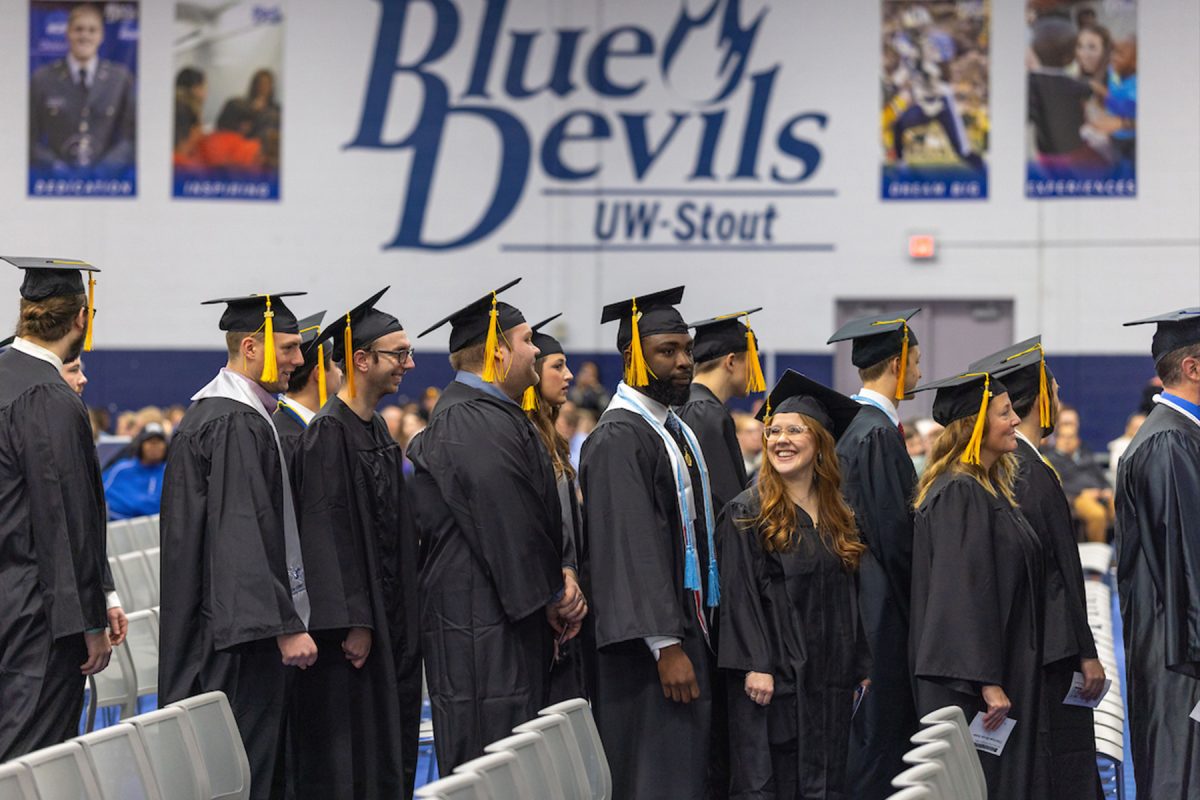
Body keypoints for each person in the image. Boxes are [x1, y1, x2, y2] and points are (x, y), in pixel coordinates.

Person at [408, 280, 580, 772]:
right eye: (526, 340)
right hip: (479, 626)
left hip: (495, 613)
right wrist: (552, 595)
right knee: (490, 762)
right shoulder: (470, 421)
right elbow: (509, 524)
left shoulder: (489, 414)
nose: (533, 351)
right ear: (497, 351)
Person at [159, 292, 318, 800]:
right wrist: (285, 627)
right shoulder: (235, 422)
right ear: (251, 347)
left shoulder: (225, 413)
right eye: (290, 348)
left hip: (216, 625)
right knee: (240, 774)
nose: (298, 360)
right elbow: (242, 535)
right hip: (235, 642)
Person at [580, 286, 722, 799]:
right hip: (648, 656)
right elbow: (630, 547)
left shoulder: (672, 430)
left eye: (686, 350)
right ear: (631, 357)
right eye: (668, 352)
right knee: (654, 775)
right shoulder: (619, 437)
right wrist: (665, 646)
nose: (683, 362)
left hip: (685, 634)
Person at [289, 288, 422, 798]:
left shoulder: (378, 430)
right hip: (354, 638)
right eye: (399, 354)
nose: (408, 364)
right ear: (360, 360)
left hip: (389, 624)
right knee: (354, 754)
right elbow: (326, 534)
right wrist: (356, 622)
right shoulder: (327, 433)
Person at [718, 371, 871, 799]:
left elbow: (848, 595)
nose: (780, 440)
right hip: (776, 681)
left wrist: (860, 663)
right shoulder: (748, 513)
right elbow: (739, 597)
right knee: (775, 779)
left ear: (820, 441)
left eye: (794, 430)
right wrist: (756, 666)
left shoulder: (840, 515)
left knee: (828, 778)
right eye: (773, 431)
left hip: (831, 678)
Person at [0, 256, 125, 761]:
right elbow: (63, 518)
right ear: (81, 318)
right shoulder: (48, 396)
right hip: (37, 614)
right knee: (30, 760)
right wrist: (89, 622)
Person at [970, 339, 1105, 797]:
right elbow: (1056, 571)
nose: (1060, 398)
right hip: (1047, 649)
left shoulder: (1021, 466)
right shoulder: (1025, 469)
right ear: (1039, 401)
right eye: (1055, 389)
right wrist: (1085, 650)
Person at [909, 369, 1048, 798]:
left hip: (995, 666)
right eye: (1005, 413)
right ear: (975, 426)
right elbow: (960, 592)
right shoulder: (959, 492)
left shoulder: (985, 487)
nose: (1016, 421)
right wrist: (985, 680)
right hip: (968, 682)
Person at [826, 308, 922, 799]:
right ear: (897, 362)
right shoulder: (877, 432)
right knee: (878, 733)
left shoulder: (854, 425)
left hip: (860, 593)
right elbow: (894, 533)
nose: (921, 372)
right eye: (917, 360)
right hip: (879, 602)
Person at [1115, 307, 1200, 798]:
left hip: (1177, 641)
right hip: (1181, 653)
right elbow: (1187, 562)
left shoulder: (1176, 435)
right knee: (1182, 776)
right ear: (1192, 368)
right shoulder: (1169, 441)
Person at [522, 314, 591, 702]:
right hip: (546, 604)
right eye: (557, 366)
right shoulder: (525, 439)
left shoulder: (553, 440)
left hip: (566, 597)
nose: (568, 375)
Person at [29, 3, 135, 176]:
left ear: (101, 36)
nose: (85, 35)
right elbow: (29, 138)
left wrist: (103, 170)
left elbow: (130, 139)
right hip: (54, 183)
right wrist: (55, 168)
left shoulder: (121, 79)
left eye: (92, 30)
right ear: (68, 34)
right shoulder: (42, 78)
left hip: (106, 184)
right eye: (78, 29)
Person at [680, 309, 765, 514]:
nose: (754, 372)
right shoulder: (704, 413)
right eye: (751, 363)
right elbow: (722, 500)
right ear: (731, 361)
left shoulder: (690, 404)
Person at [273, 312, 344, 463]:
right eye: (334, 365)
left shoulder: (312, 426)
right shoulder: (288, 436)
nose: (340, 372)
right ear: (319, 373)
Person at [1044, 406, 1114, 542]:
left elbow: (1099, 474)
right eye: (1064, 437)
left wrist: (1106, 489)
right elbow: (1057, 486)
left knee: (1120, 507)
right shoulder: (1050, 458)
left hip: (1100, 493)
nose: (1068, 441)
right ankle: (1098, 551)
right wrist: (1082, 493)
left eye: (1071, 437)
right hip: (1077, 498)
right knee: (1097, 514)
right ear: (1057, 438)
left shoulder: (1085, 452)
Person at [102, 422, 168, 520]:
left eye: (159, 442)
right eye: (150, 442)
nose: (155, 446)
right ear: (140, 445)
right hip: (119, 528)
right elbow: (102, 496)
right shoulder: (121, 469)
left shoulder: (171, 472)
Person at [734, 412, 764, 480]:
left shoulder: (765, 462)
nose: (756, 437)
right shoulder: (733, 465)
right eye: (749, 432)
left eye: (758, 431)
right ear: (738, 435)